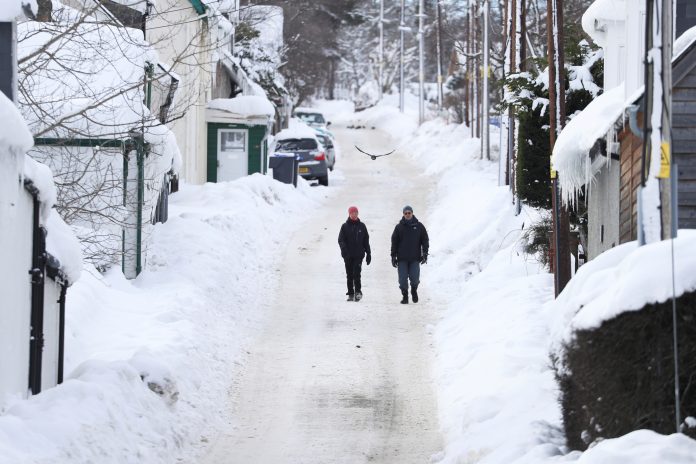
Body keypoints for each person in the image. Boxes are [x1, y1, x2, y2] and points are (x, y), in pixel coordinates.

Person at [390, 205, 429, 304]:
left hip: (415, 258)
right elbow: (394, 242)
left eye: (409, 213)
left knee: (415, 278)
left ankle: (414, 290)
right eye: (405, 213)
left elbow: (425, 240)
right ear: (403, 214)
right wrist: (393, 256)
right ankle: (405, 296)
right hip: (402, 258)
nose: (407, 215)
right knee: (402, 279)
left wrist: (425, 253)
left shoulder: (419, 226)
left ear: (412, 213)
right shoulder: (399, 227)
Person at [338, 206, 371, 301]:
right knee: (349, 275)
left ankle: (358, 292)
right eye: (352, 212)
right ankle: (350, 293)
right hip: (348, 255)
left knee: (357, 273)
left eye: (356, 212)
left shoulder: (362, 226)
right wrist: (344, 252)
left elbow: (366, 241)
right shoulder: (344, 226)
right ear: (349, 214)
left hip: (358, 255)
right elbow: (341, 240)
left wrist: (368, 253)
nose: (354, 214)